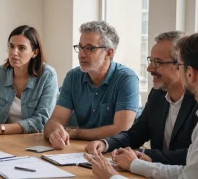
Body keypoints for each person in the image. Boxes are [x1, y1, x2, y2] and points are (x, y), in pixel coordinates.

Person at [85, 32, 198, 179]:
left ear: (189, 72)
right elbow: (136, 133)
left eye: (157, 62)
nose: (149, 69)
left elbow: (189, 158)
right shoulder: (158, 94)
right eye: (150, 61)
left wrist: (118, 172)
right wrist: (106, 143)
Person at [44, 21, 140, 149]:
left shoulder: (127, 79)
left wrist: (78, 133)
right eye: (80, 47)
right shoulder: (73, 76)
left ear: (109, 53)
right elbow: (53, 122)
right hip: (82, 150)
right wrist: (55, 132)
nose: (81, 54)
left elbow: (122, 130)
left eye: (90, 48)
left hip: (117, 152)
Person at [0, 25, 58, 136]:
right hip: (0, 141)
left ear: (35, 52)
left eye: (21, 48)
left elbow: (41, 121)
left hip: (33, 140)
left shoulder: (48, 75)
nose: (14, 52)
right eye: (11, 46)